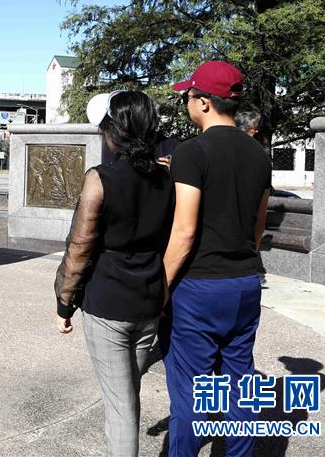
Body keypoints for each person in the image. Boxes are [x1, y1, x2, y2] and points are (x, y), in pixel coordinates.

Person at [160, 61, 272, 456]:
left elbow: (184, 232)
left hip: (199, 288)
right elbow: (258, 228)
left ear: (205, 102)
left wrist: (160, 286)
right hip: (245, 284)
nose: (187, 103)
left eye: (188, 97)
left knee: (190, 390)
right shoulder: (259, 155)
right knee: (240, 384)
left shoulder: (192, 152)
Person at [54, 90, 174, 457]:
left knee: (122, 409)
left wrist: (64, 303)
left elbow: (80, 247)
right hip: (148, 301)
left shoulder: (100, 178)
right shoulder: (166, 178)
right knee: (126, 396)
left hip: (108, 304)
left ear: (113, 132)